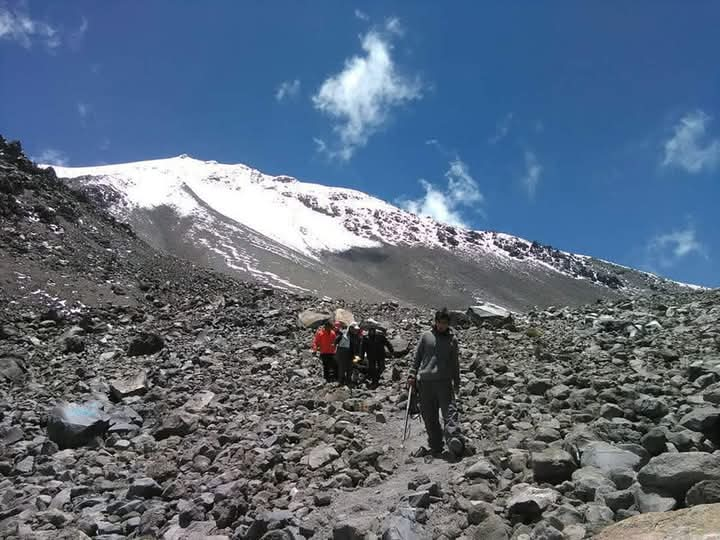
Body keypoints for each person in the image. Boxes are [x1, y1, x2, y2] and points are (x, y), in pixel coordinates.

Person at [407, 308, 465, 458]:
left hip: (444, 382)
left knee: (449, 412)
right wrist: (412, 374)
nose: (441, 326)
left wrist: (456, 382)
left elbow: (455, 364)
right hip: (425, 383)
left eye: (444, 323)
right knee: (429, 415)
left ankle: (453, 439)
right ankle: (436, 445)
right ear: (435, 322)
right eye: (439, 322)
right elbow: (417, 357)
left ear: (448, 324)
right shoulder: (426, 336)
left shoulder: (452, 340)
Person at [335, 322, 362, 387]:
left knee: (350, 369)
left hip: (352, 355)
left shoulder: (357, 337)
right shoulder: (343, 335)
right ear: (350, 328)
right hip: (342, 354)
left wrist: (357, 358)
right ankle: (341, 382)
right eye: (354, 329)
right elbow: (335, 342)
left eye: (356, 329)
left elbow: (358, 349)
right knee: (342, 368)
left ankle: (348, 382)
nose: (356, 330)